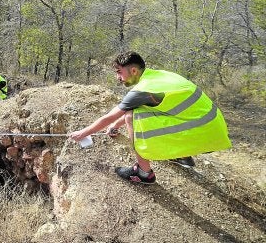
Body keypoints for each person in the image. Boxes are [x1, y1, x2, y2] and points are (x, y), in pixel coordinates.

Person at [68, 51, 231, 184]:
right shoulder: (159, 76)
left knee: (131, 116)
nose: (118, 78)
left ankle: (144, 173)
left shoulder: (142, 90)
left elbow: (109, 117)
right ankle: (181, 155)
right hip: (213, 127)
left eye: (119, 72)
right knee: (140, 111)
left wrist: (83, 133)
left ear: (133, 70)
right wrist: (116, 126)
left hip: (202, 132)